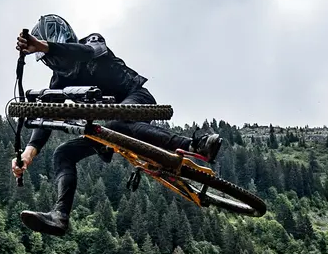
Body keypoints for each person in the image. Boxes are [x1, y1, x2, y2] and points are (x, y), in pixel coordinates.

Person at [11, 14, 221, 236]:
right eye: (47, 57)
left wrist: (44, 46)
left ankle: (194, 145)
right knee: (63, 153)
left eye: (52, 53)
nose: (54, 62)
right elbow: (47, 115)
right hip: (110, 129)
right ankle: (59, 216)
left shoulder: (91, 42)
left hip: (136, 99)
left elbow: (83, 53)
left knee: (117, 123)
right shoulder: (59, 80)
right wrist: (27, 155)